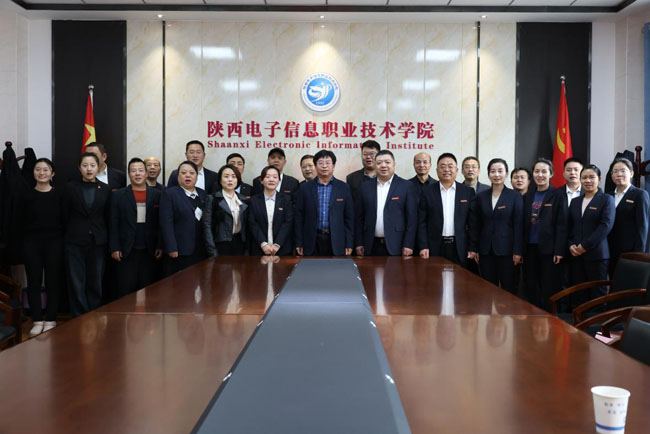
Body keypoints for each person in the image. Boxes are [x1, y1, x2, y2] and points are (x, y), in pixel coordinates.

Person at [63, 153, 111, 316]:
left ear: (98, 168)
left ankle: (94, 313)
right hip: (74, 241)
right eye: (85, 165)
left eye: (92, 165)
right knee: (76, 280)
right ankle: (79, 316)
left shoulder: (105, 189)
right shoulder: (70, 188)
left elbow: (108, 216)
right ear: (79, 168)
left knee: (95, 280)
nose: (89, 169)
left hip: (98, 241)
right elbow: (64, 214)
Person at [21, 158, 63, 336]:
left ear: (52, 173)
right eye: (38, 169)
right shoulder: (26, 195)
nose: (41, 173)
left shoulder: (59, 195)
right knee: (34, 282)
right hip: (32, 244)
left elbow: (65, 220)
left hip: (54, 243)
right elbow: (19, 222)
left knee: (53, 281)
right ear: (33, 173)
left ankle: (51, 319)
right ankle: (37, 319)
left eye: (46, 169)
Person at [468, 158, 523, 294]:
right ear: (488, 174)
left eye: (500, 171)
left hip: (507, 251)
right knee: (487, 288)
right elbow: (476, 225)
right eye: (493, 171)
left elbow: (518, 225)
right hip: (485, 250)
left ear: (506, 173)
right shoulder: (481, 197)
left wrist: (517, 251)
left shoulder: (515, 196)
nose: (496, 175)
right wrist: (474, 248)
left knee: (508, 289)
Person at [110, 158, 163, 297]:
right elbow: (113, 223)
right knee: (126, 288)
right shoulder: (118, 195)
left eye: (140, 170)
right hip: (126, 249)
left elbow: (161, 223)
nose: (137, 174)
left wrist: (160, 245)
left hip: (149, 249)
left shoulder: (157, 195)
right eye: (133, 171)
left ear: (146, 173)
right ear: (129, 174)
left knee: (148, 289)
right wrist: (115, 247)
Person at [522, 158, 568, 310]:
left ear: (551, 174)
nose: (540, 175)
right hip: (530, 247)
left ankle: (549, 314)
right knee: (531, 283)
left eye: (544, 171)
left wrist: (559, 250)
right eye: (537, 171)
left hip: (549, 249)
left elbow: (562, 224)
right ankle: (533, 313)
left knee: (548, 284)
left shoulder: (558, 195)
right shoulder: (528, 195)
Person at [567, 164, 615, 305]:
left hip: (597, 255)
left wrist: (585, 246)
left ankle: (598, 320)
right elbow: (570, 226)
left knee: (597, 295)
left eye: (592, 177)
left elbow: (605, 226)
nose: (588, 181)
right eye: (584, 177)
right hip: (576, 255)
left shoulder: (606, 199)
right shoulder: (575, 201)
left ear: (599, 179)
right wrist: (571, 245)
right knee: (578, 294)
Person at [355, 150, 418, 256]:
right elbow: (359, 218)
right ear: (375, 165)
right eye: (379, 163)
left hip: (397, 245)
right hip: (370, 245)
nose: (383, 165)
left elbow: (412, 219)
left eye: (387, 162)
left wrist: (408, 244)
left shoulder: (406, 186)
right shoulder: (365, 187)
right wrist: (359, 242)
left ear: (394, 164)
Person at [418, 153, 475, 266]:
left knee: (460, 276)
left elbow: (473, 223)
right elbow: (421, 222)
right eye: (442, 166)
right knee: (435, 276)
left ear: (456, 170)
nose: (446, 170)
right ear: (437, 170)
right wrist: (423, 246)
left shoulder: (467, 192)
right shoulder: (427, 191)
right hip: (435, 246)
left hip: (459, 246)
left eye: (450, 166)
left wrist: (472, 247)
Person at [295, 150, 354, 256]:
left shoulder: (344, 188)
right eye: (320, 163)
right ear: (315, 166)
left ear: (333, 166)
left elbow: (349, 218)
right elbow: (299, 216)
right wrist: (299, 242)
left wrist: (349, 243)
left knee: (335, 267)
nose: (324, 166)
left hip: (336, 240)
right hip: (311, 240)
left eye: (328, 163)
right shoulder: (304, 188)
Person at [160, 161, 207, 275]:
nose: (188, 175)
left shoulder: (203, 194)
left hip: (201, 249)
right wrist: (171, 247)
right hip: (180, 249)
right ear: (178, 176)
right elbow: (166, 223)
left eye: (192, 173)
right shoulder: (170, 194)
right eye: (184, 173)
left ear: (197, 176)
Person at [608, 157, 650, 274]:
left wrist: (639, 254)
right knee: (613, 281)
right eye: (615, 171)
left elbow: (643, 226)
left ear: (631, 173)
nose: (619, 174)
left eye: (623, 171)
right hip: (611, 250)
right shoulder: (608, 196)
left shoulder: (640, 194)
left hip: (631, 252)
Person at [248, 166, 293, 256]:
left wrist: (278, 244)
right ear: (261, 180)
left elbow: (288, 223)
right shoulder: (254, 200)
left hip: (282, 248)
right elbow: (252, 223)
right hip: (259, 248)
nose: (271, 180)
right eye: (267, 177)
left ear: (279, 181)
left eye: (275, 177)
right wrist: (263, 244)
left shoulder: (286, 199)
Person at [204, 164, 248, 256]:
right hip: (221, 244)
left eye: (233, 177)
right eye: (226, 176)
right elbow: (207, 225)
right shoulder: (213, 199)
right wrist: (212, 249)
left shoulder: (243, 199)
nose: (230, 180)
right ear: (220, 180)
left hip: (240, 244)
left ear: (238, 180)